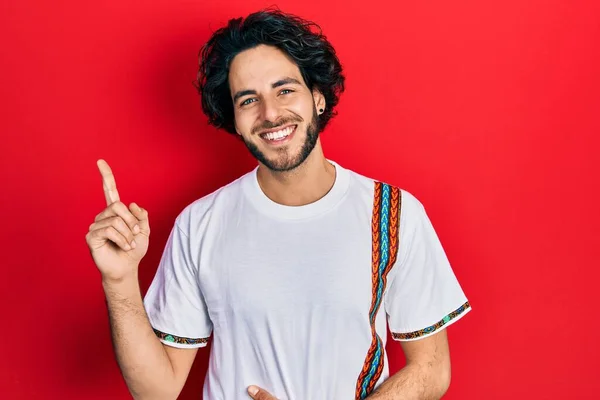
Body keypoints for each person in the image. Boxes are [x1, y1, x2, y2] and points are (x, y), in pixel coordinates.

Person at [85, 8, 472, 400]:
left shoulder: (393, 213)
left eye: (284, 90)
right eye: (248, 99)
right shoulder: (199, 223)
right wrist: (119, 282)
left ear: (317, 98)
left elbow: (432, 367)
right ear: (234, 119)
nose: (270, 114)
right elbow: (156, 392)